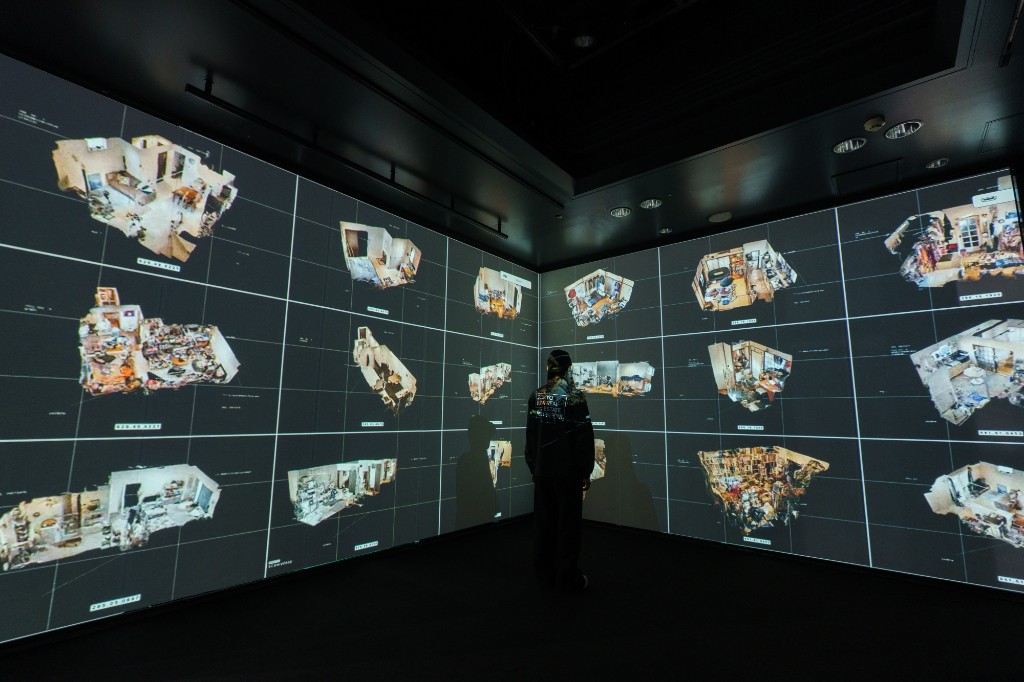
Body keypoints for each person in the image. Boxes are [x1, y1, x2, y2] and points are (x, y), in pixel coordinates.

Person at [525, 349, 595, 592]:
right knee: (568, 527)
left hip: (543, 472)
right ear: (567, 369)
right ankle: (566, 578)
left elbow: (531, 436)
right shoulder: (575, 398)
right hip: (568, 474)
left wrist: (534, 465)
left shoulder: (537, 396)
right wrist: (585, 470)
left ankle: (544, 577)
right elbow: (584, 438)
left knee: (544, 526)